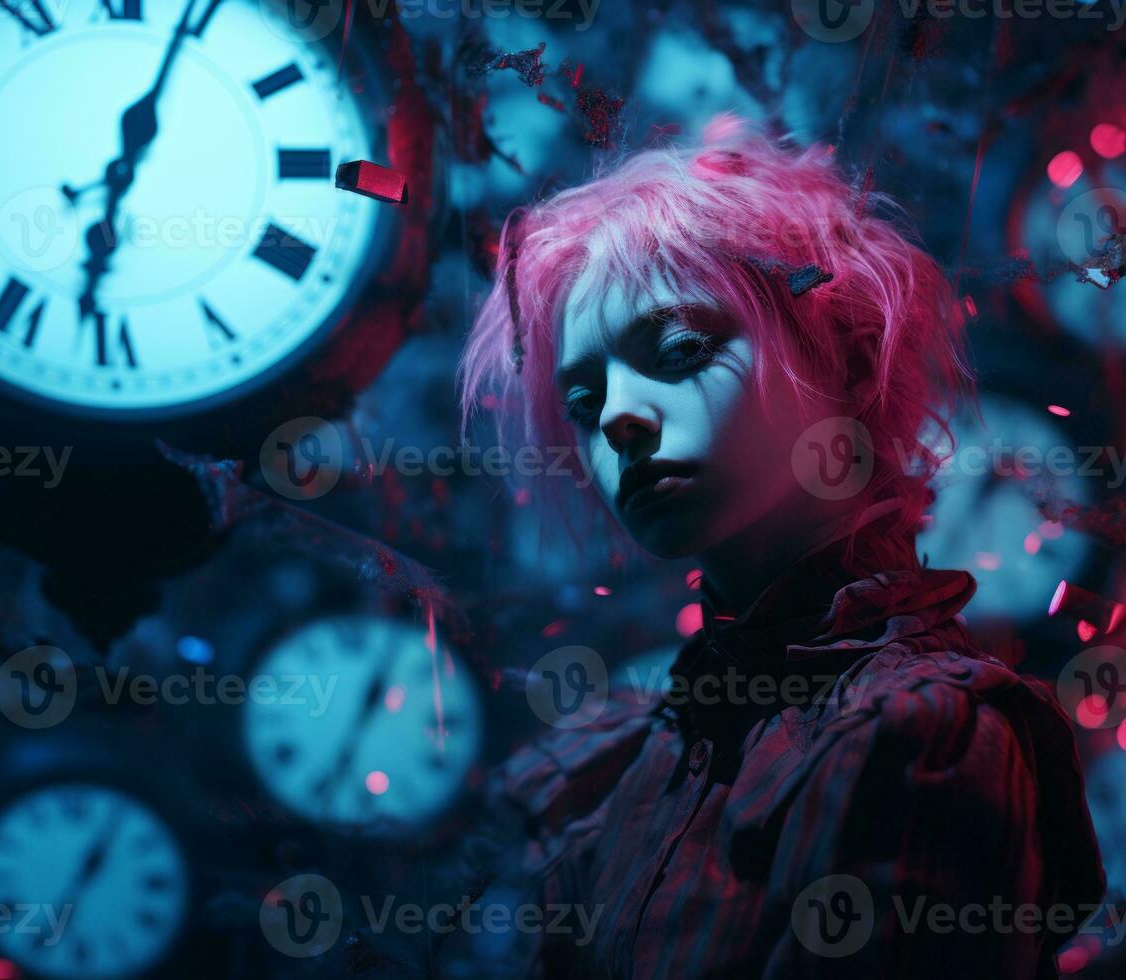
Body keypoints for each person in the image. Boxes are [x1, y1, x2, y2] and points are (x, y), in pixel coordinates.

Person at [453, 113, 1106, 977]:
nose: (614, 417)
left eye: (679, 348)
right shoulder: (638, 753)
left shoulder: (921, 737)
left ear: (837, 354)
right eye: (580, 402)